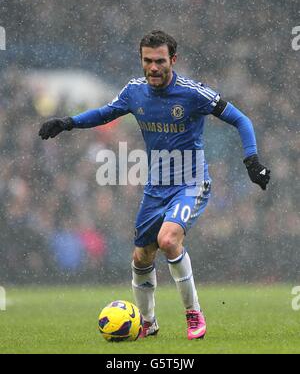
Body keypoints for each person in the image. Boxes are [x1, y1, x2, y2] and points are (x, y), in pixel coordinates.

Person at [39, 30, 270, 340]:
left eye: (160, 61)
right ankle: (148, 322)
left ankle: (193, 314)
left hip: (191, 181)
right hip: (155, 187)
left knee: (169, 239)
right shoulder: (134, 92)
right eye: (147, 61)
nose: (153, 68)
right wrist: (67, 122)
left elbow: (241, 119)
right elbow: (105, 113)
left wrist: (251, 160)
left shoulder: (192, 93)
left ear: (172, 60)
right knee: (141, 258)